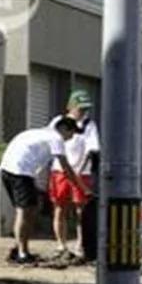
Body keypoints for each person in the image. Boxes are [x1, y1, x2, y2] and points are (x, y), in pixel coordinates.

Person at [0, 117, 89, 264]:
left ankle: (20, 248)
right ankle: (22, 254)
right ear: (64, 129)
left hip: (7, 169)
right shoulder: (56, 138)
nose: (71, 137)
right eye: (72, 133)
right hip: (20, 171)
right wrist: (84, 189)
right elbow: (66, 168)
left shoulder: (38, 133)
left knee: (30, 209)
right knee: (25, 211)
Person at [48, 90, 100, 260]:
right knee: (60, 207)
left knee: (81, 211)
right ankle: (61, 244)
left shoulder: (89, 125)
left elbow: (92, 150)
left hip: (81, 172)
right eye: (80, 108)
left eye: (85, 109)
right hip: (60, 170)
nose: (83, 112)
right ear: (71, 107)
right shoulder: (58, 122)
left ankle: (80, 244)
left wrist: (79, 170)